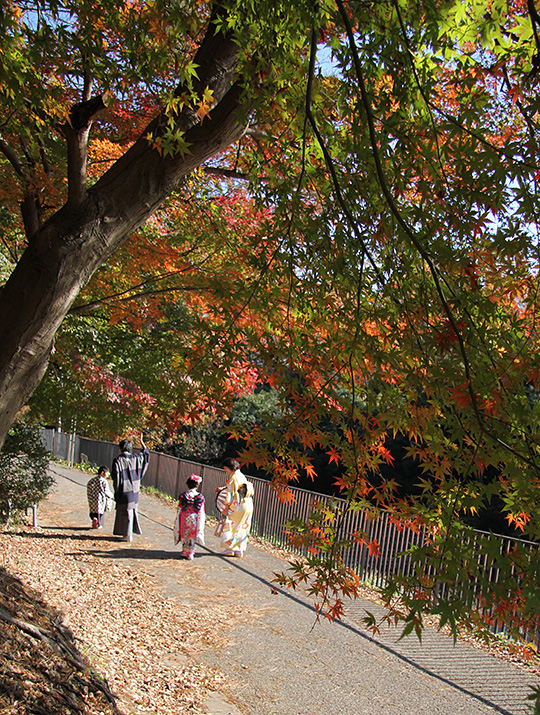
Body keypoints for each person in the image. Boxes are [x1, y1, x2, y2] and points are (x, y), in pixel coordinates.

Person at [111, 433, 150, 542]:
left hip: (124, 489)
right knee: (132, 511)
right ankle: (129, 533)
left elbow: (115, 475)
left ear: (120, 448)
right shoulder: (136, 458)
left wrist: (116, 490)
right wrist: (142, 443)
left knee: (125, 512)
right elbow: (146, 455)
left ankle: (128, 535)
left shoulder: (118, 460)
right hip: (135, 489)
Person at [217, 458, 254, 558]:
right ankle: (239, 550)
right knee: (243, 527)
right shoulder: (241, 475)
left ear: (230, 468)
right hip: (248, 503)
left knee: (232, 527)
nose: (225, 470)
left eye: (225, 468)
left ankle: (229, 549)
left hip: (238, 506)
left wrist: (226, 507)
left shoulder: (233, 478)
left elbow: (230, 494)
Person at [173, 474, 205, 559]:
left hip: (184, 515)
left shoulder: (183, 496)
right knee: (192, 534)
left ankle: (184, 550)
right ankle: (190, 552)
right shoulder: (199, 497)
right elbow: (200, 510)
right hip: (194, 516)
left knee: (184, 531)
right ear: (197, 486)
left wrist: (177, 517)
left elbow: (180, 507)